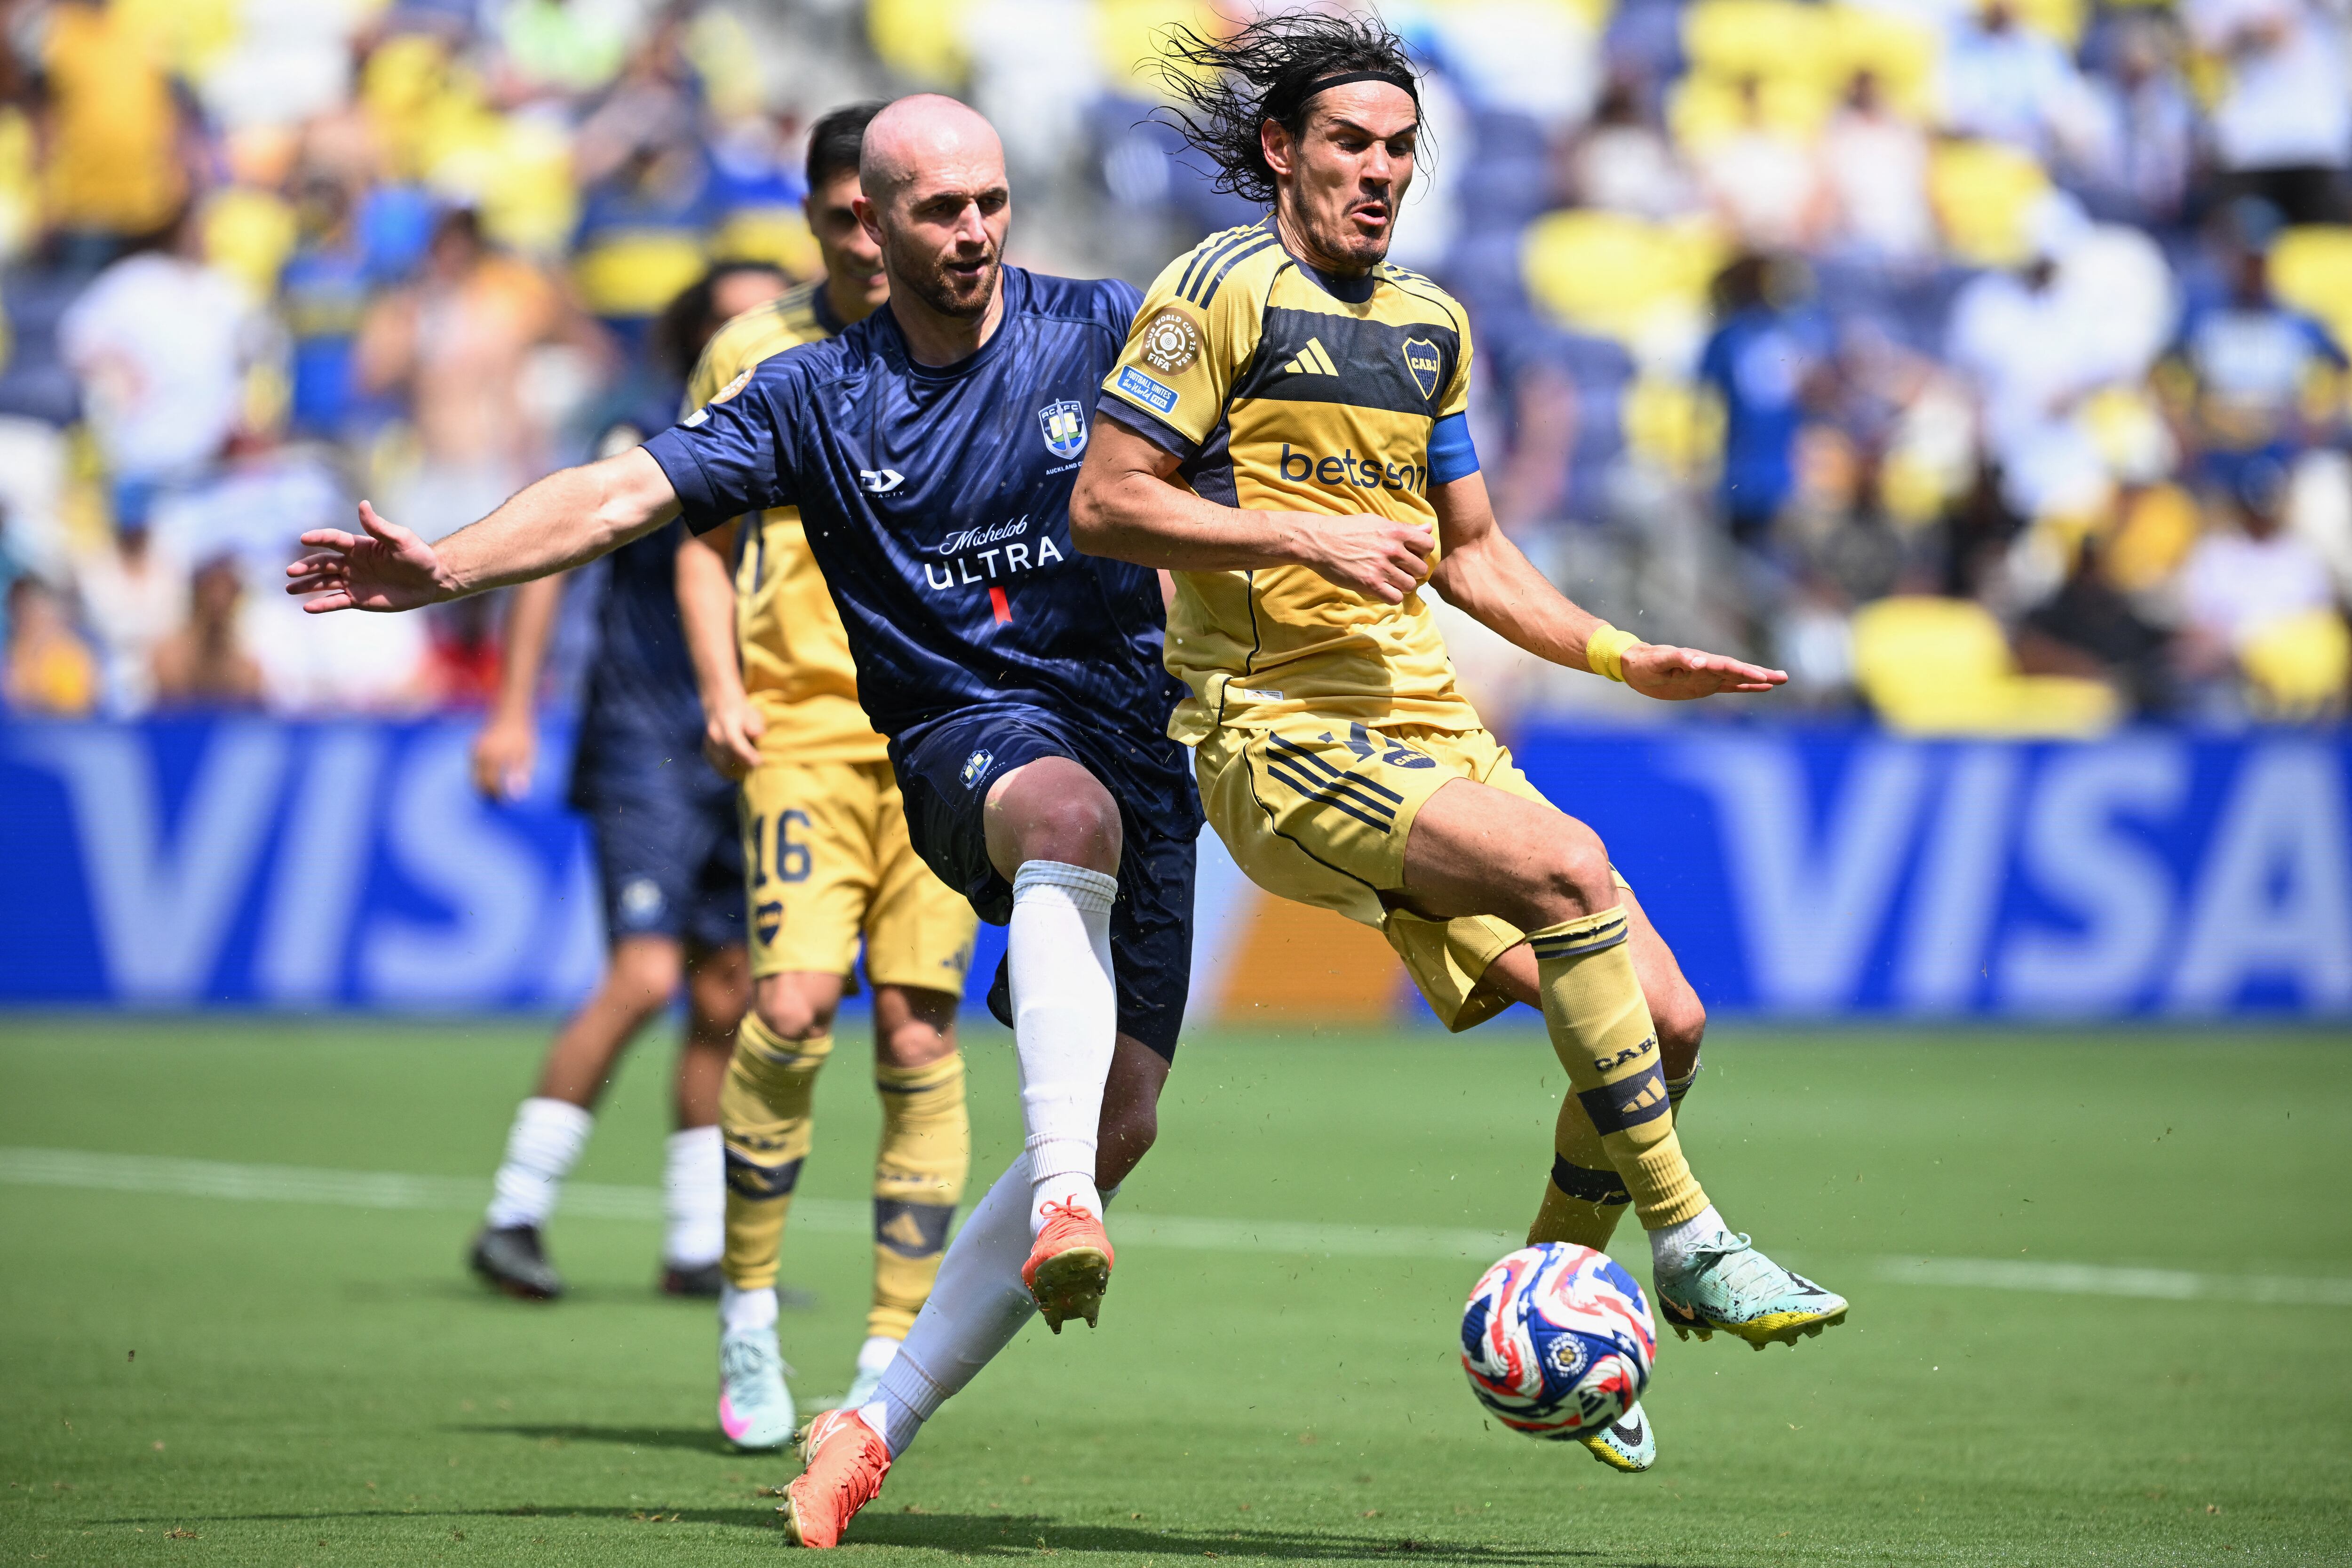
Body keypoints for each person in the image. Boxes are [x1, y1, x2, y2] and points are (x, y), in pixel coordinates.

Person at [286, 95, 1199, 1547]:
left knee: (1124, 1106)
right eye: (936, 212)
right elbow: (615, 495)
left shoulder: (1104, 329)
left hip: (1146, 745)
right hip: (966, 742)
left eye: (989, 204)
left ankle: (868, 1420)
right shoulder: (812, 396)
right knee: (1047, 833)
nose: (971, 234)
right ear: (871, 229)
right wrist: (445, 568)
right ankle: (1038, 1212)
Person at [1070, 12, 1849, 1477]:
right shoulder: (1212, 294)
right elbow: (1107, 504)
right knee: (1570, 868)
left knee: (1664, 1028)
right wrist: (1293, 528)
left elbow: (1473, 556)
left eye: (1401, 148)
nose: (1381, 171)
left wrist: (1621, 652)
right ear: (1279, 151)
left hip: (1424, 726)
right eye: (1351, 144)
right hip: (1271, 726)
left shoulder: (1431, 322)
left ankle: (1557, 1298)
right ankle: (1690, 1241)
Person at [670, 103, 981, 1450]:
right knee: (791, 1005)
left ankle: (885, 1348)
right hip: (801, 727)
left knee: (918, 1028)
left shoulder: (980, 341)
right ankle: (748, 1309)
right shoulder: (757, 351)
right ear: (814, 218)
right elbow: (696, 532)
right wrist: (723, 687)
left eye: (885, 212)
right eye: (846, 214)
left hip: (949, 728)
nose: (868, 237)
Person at [461, 259, 789, 1304]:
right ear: (697, 341)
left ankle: (696, 1243)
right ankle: (515, 1209)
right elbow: (555, 565)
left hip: (753, 741)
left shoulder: (810, 428)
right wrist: (512, 707)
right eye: (734, 321)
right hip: (644, 732)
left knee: (729, 989)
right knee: (646, 975)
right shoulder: (644, 432)